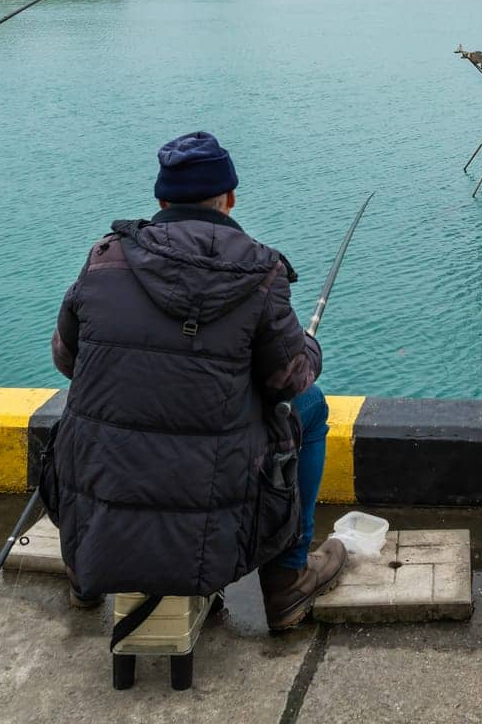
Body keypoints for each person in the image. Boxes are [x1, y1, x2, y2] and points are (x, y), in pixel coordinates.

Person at [41, 131, 346, 632]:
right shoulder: (261, 272)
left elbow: (68, 361)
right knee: (310, 408)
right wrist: (308, 348)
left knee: (92, 417)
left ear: (161, 200)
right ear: (228, 199)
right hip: (212, 501)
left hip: (101, 484)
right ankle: (286, 583)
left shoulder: (104, 258)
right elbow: (289, 380)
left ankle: (84, 570)